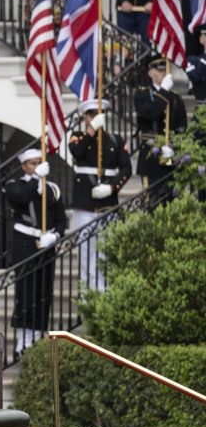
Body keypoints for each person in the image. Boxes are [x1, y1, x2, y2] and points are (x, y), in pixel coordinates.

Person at [3, 148, 66, 355]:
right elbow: (22, 198)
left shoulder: (52, 189)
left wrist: (55, 235)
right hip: (24, 243)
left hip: (46, 243)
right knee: (26, 292)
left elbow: (60, 219)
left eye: (40, 162)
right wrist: (37, 177)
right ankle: (23, 339)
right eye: (32, 163)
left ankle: (38, 337)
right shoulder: (14, 186)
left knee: (43, 293)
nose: (37, 166)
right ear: (24, 166)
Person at [68, 99, 131, 291]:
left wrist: (112, 188)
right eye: (91, 114)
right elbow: (77, 153)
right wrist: (90, 131)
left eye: (98, 113)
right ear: (85, 117)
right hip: (85, 202)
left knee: (105, 251)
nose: (94, 117)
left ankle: (104, 294)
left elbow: (126, 169)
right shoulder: (78, 137)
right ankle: (88, 295)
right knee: (86, 253)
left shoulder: (115, 140)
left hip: (107, 201)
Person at [135, 57, 188, 192]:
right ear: (150, 73)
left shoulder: (176, 99)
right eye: (159, 70)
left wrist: (175, 149)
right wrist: (163, 90)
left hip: (169, 155)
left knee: (169, 200)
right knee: (153, 202)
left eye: (165, 70)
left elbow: (182, 129)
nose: (163, 73)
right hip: (151, 158)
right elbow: (150, 113)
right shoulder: (142, 94)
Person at [187, 25, 206, 109]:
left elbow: (197, 75)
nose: (201, 37)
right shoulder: (197, 59)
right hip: (201, 102)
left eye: (203, 35)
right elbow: (196, 76)